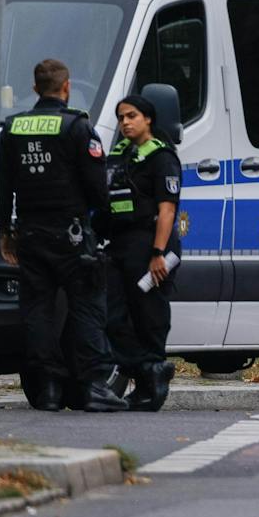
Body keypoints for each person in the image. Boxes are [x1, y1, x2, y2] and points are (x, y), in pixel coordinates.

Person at [0, 59, 126, 412]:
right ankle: (93, 386)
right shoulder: (77, 127)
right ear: (66, 87)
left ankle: (49, 388)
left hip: (30, 234)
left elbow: (3, 185)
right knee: (87, 308)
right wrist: (104, 226)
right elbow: (97, 189)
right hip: (72, 236)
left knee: (37, 311)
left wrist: (6, 231)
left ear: (35, 88)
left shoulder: (14, 127)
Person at [102, 94, 181, 411]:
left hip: (151, 244)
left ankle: (151, 381)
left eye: (132, 116)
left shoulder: (162, 157)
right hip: (121, 242)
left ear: (148, 119)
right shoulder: (119, 155)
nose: (125, 122)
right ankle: (147, 370)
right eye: (121, 117)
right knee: (113, 315)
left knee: (149, 315)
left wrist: (158, 252)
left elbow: (167, 210)